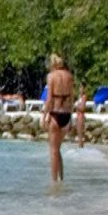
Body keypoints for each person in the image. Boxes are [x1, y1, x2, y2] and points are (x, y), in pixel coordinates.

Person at [43, 53, 84, 184]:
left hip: (55, 113)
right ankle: (61, 179)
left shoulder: (51, 76)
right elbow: (72, 98)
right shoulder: (69, 76)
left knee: (53, 150)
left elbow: (49, 98)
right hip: (66, 114)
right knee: (58, 149)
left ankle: (54, 182)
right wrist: (71, 118)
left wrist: (44, 115)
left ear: (53, 64)